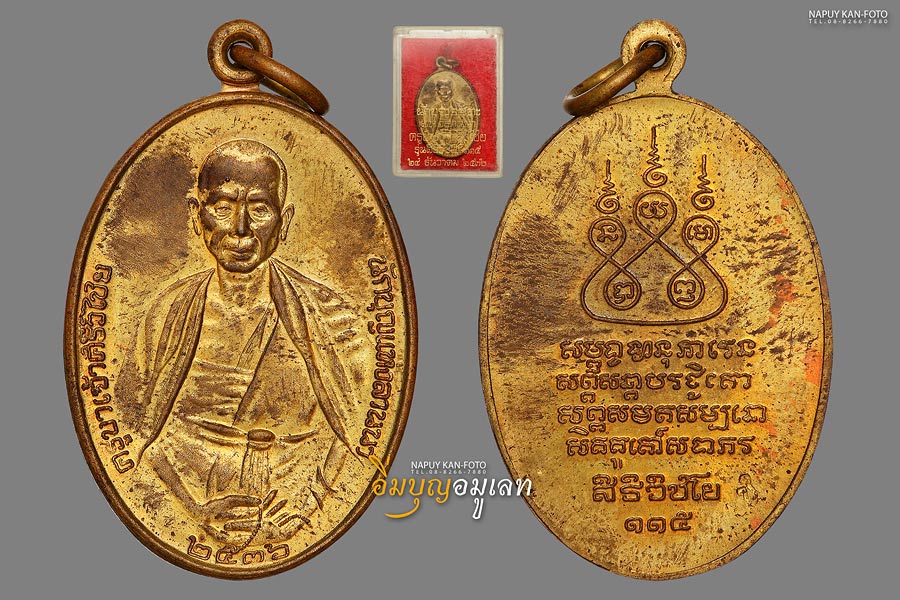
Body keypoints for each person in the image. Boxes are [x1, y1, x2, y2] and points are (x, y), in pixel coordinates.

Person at [118, 139, 364, 546]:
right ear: (196, 216)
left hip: (294, 507)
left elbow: (360, 432)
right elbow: (131, 436)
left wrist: (310, 503)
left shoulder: (329, 315)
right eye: (223, 207)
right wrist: (192, 509)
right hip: (193, 506)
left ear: (284, 221)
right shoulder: (164, 315)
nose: (240, 229)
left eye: (260, 209)